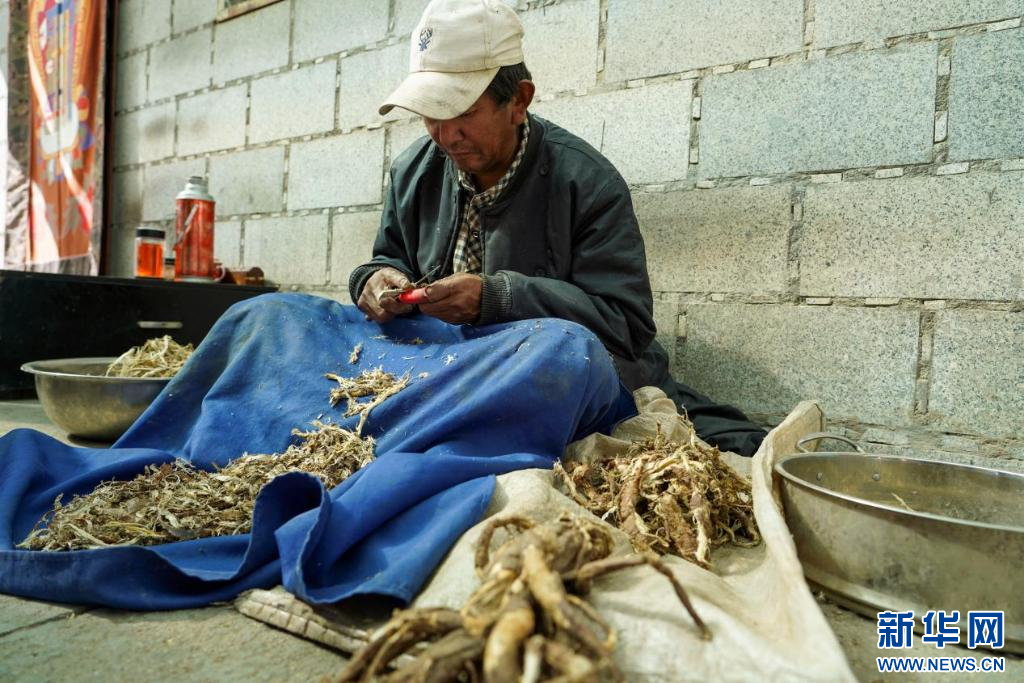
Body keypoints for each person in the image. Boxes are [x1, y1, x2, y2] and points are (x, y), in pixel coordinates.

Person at [349, 0, 767, 456]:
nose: (446, 135)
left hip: (560, 382)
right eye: (431, 113)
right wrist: (373, 279)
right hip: (459, 372)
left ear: (519, 100)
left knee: (730, 446)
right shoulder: (414, 171)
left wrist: (498, 299)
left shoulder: (586, 181)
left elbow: (625, 325)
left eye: (463, 112)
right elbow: (389, 257)